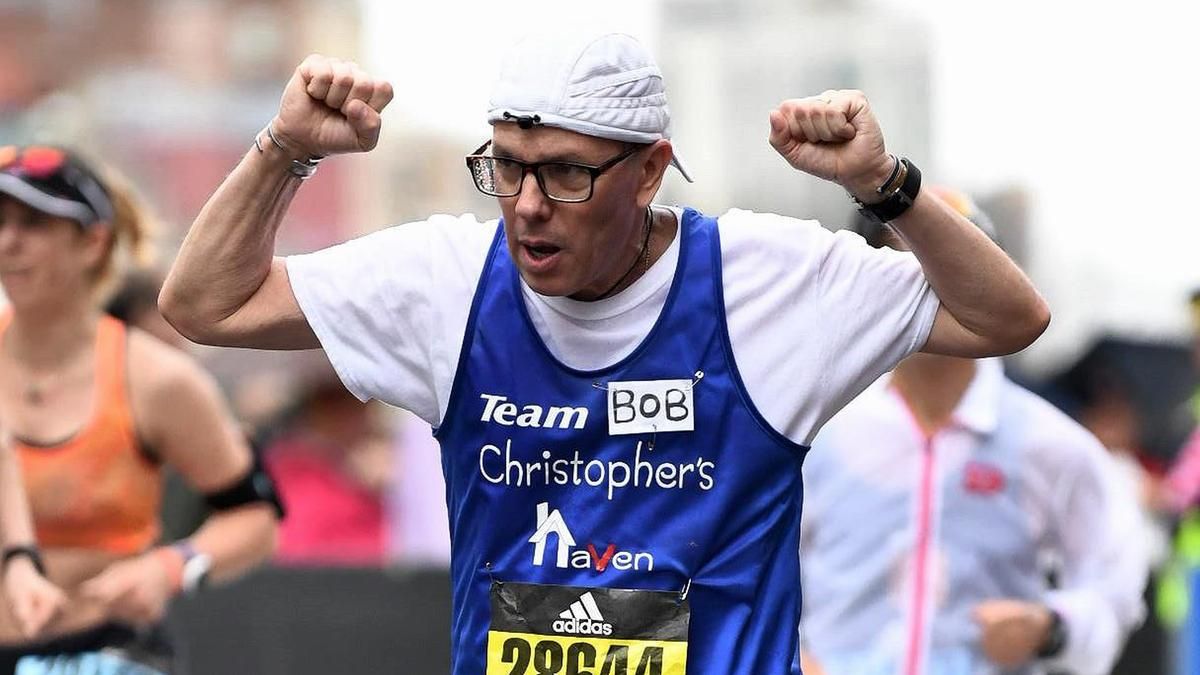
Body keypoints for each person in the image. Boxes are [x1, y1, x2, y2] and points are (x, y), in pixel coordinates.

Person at [160, 32, 1049, 675]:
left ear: (651, 170)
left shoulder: (764, 278)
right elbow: (207, 302)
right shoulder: (447, 279)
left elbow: (1005, 319)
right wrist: (284, 151)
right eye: (506, 165)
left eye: (567, 172)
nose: (528, 203)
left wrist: (883, 185)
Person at [798, 188, 1146, 675]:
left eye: (948, 263)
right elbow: (754, 568)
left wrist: (1051, 627)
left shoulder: (1047, 442)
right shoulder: (819, 431)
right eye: (895, 261)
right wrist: (795, 657)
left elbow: (1116, 585)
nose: (919, 283)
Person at [0, 145, 282, 674]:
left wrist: (169, 569)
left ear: (92, 242)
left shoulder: (156, 380)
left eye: (33, 223)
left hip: (101, 651)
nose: (8, 242)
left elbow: (255, 517)